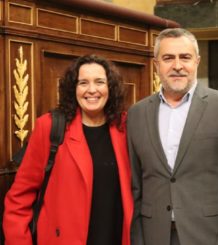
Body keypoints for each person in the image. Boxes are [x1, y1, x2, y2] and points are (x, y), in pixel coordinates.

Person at [127, 28, 218, 245]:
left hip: (208, 236)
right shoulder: (137, 114)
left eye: (185, 57)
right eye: (168, 58)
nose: (177, 65)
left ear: (197, 61)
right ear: (156, 65)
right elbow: (136, 188)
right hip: (154, 235)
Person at [3, 55, 133, 245]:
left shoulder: (126, 127)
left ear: (110, 87)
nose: (92, 90)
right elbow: (20, 197)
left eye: (99, 82)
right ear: (73, 89)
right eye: (83, 83)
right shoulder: (49, 127)